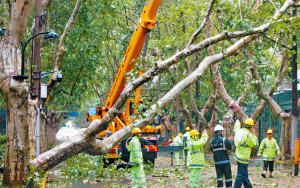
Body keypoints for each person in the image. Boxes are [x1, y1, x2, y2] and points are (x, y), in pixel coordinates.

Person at [233, 118, 258, 188]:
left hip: (238, 156)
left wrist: (237, 121)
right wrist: (254, 135)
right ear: (252, 127)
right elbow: (255, 144)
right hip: (244, 158)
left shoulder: (240, 131)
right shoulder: (249, 135)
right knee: (240, 175)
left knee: (244, 174)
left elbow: (236, 127)